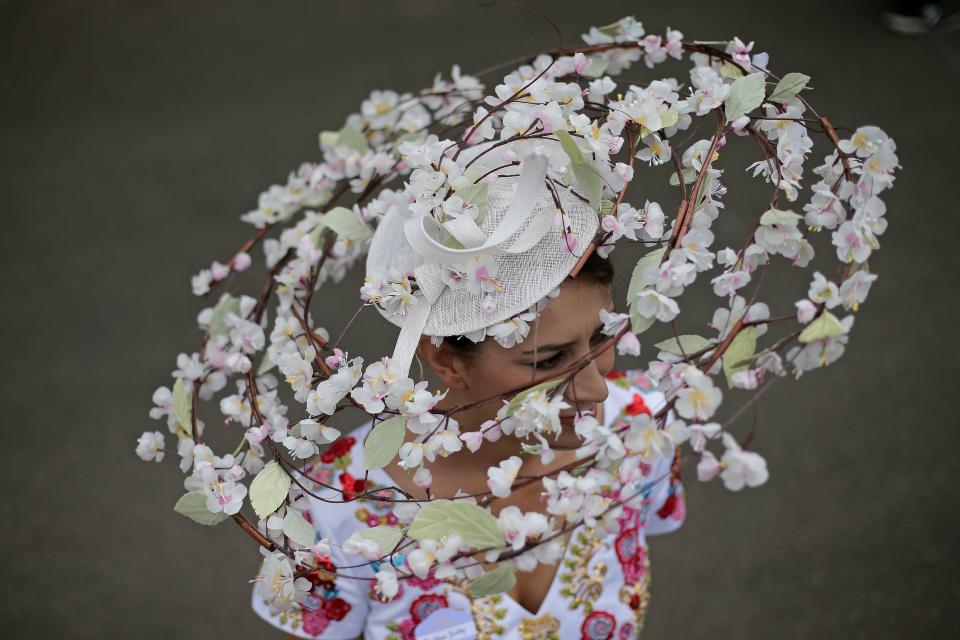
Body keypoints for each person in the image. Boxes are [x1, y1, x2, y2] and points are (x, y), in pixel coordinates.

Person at [250, 152, 685, 638]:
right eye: (548, 361)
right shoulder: (332, 507)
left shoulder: (639, 427)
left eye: (603, 339)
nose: (597, 387)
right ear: (446, 360)